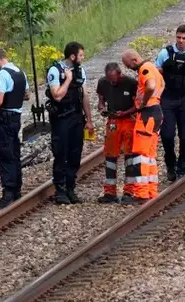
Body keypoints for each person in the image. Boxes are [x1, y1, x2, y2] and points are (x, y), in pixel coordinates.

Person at [45, 41, 94, 204]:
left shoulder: (81, 71)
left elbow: (84, 96)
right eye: (80, 55)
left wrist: (89, 120)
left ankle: (70, 187)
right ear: (72, 56)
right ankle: (60, 189)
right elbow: (57, 95)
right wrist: (68, 80)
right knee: (61, 154)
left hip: (76, 117)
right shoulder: (55, 71)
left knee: (75, 154)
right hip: (61, 118)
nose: (83, 58)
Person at [155, 24, 185, 181]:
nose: (181, 41)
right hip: (168, 98)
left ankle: (184, 163)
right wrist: (165, 68)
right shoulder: (166, 53)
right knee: (167, 134)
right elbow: (155, 72)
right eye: (178, 37)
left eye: (184, 38)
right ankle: (170, 164)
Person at [0, 48, 30, 209]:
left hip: (4, 118)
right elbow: (27, 95)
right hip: (16, 117)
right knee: (14, 152)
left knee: (5, 154)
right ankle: (17, 188)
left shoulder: (3, 74)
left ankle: (8, 192)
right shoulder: (20, 72)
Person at [122, 49, 165, 203]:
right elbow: (162, 84)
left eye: (128, 65)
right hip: (156, 112)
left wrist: (143, 102)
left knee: (140, 155)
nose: (128, 69)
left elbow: (151, 86)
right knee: (150, 156)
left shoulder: (144, 69)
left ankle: (141, 193)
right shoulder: (153, 67)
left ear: (134, 60)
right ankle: (151, 190)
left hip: (147, 114)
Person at [96, 63, 139, 204]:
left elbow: (139, 104)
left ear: (120, 74)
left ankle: (129, 191)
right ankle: (109, 192)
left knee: (130, 156)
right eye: (109, 79)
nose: (111, 82)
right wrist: (102, 108)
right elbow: (101, 99)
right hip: (113, 121)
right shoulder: (103, 83)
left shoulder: (131, 83)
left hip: (128, 120)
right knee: (110, 156)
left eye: (113, 79)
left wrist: (125, 112)